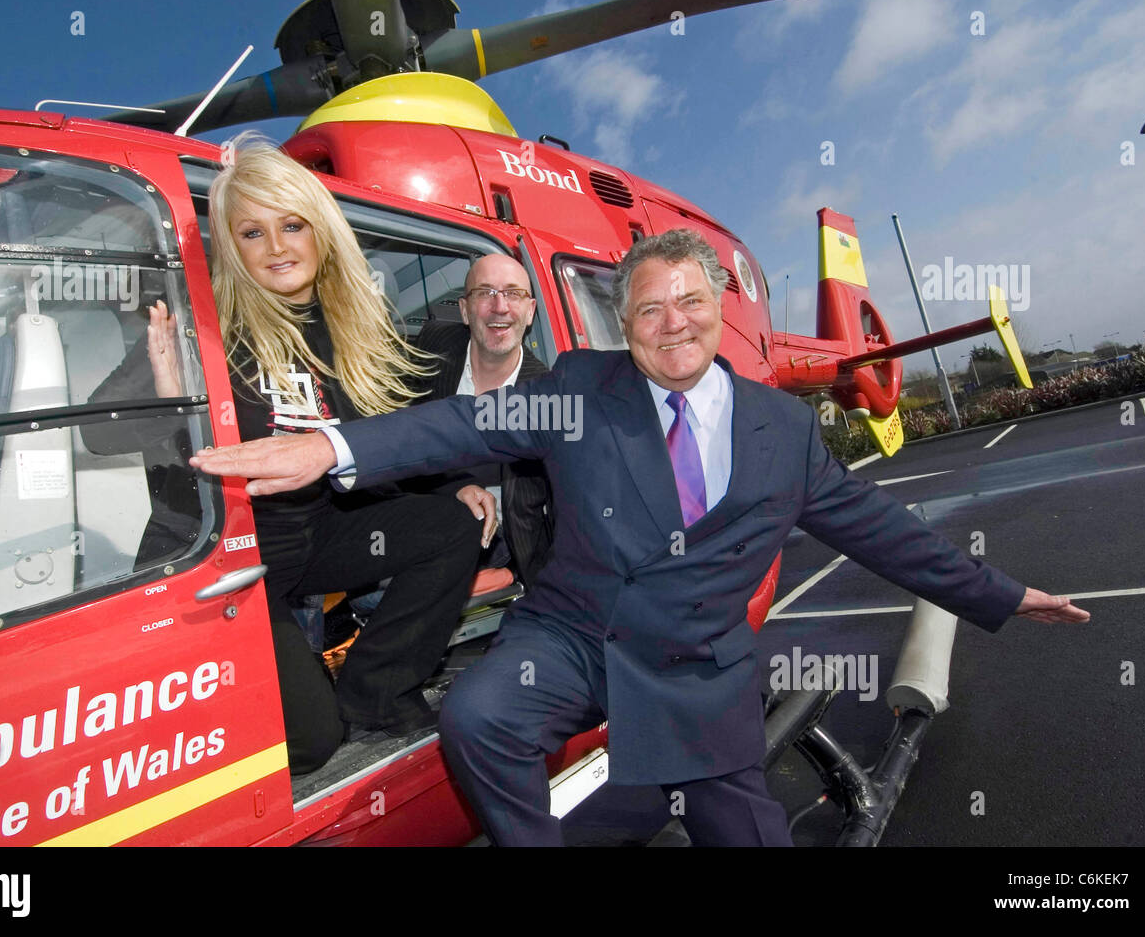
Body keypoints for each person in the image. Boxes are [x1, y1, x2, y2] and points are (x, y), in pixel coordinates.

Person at [188, 228, 1090, 844]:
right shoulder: (579, 389)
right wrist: (329, 446)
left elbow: (880, 530)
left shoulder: (783, 430)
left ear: (716, 306)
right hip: (574, 637)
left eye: (688, 302)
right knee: (479, 714)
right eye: (649, 310)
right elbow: (457, 426)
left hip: (695, 665)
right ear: (625, 326)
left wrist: (1002, 593)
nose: (672, 324)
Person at [95, 133, 486, 774]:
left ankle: (377, 690)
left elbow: (368, 447)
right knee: (310, 742)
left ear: (321, 230)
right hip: (225, 561)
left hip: (311, 539)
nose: (277, 248)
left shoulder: (351, 330)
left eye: (293, 225)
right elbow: (100, 436)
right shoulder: (204, 324)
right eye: (252, 233)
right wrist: (172, 403)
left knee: (454, 524)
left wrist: (450, 490)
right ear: (230, 245)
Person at [409, 253, 553, 586]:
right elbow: (400, 434)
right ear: (463, 309)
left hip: (501, 542)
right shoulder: (434, 348)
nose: (499, 306)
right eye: (484, 292)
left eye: (513, 293)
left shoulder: (547, 397)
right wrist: (454, 488)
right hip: (424, 510)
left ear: (530, 311)